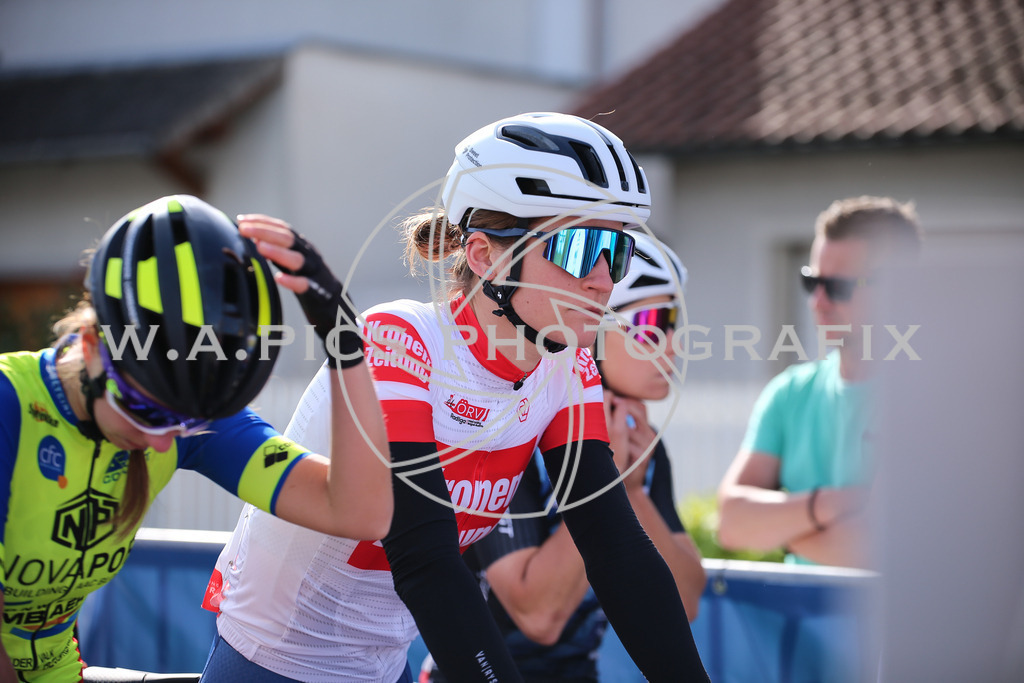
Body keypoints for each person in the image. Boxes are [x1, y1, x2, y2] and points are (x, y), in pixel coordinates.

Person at [200, 112, 709, 683]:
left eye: (615, 250)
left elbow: (616, 549)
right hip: (273, 660)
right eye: (578, 247)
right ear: (485, 256)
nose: (603, 280)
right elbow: (425, 559)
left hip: (381, 667)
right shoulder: (399, 340)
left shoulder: (567, 366)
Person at [0, 194, 392, 683]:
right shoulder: (10, 406)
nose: (162, 444)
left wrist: (344, 343)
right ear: (93, 347)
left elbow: (359, 513)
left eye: (184, 425)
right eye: (145, 412)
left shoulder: (178, 416)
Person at [427, 232, 706, 683]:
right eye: (653, 322)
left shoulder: (643, 445)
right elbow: (538, 616)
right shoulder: (515, 427)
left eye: (675, 323)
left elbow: (687, 603)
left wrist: (633, 494)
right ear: (593, 330)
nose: (672, 343)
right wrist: (609, 486)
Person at [716, 195, 922, 567]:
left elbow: (877, 549)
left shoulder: (928, 400)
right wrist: (832, 504)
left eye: (839, 287)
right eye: (811, 282)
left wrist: (776, 526)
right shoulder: (790, 392)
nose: (818, 301)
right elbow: (730, 524)